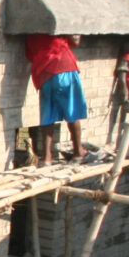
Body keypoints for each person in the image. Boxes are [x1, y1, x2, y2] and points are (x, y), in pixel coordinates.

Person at [24, 34, 93, 165]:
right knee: (72, 111)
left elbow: (29, 53)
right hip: (63, 67)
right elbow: (75, 40)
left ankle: (46, 158)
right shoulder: (57, 29)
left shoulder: (31, 29)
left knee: (47, 116)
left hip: (43, 72)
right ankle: (78, 152)